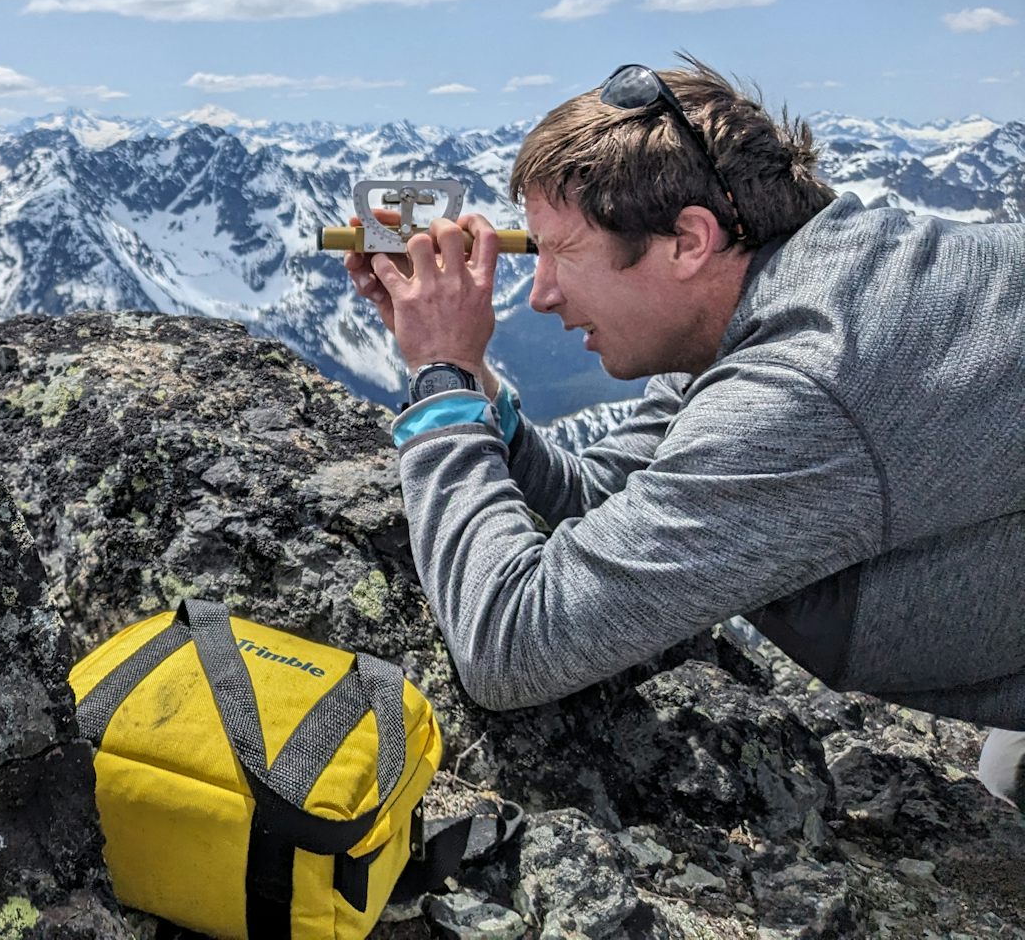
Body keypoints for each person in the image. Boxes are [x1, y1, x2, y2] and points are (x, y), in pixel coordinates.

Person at [344, 59, 1025, 810]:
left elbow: (511, 645)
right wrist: (470, 374)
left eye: (561, 255)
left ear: (688, 241)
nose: (538, 296)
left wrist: (439, 380)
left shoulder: (804, 386)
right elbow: (597, 497)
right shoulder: (773, 293)